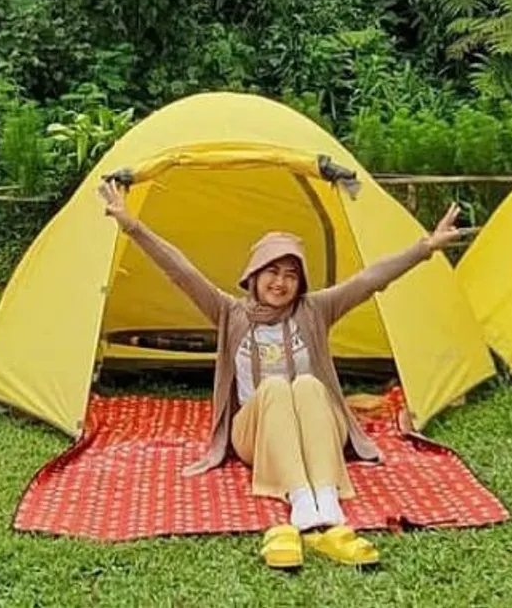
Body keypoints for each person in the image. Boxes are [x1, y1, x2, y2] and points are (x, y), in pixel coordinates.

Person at [99, 179, 468, 570]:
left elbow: (370, 280)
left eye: (290, 274)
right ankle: (299, 497)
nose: (280, 282)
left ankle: (324, 498)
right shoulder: (230, 313)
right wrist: (131, 225)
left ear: (301, 282)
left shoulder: (315, 310)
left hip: (317, 428)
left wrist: (425, 247)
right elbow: (182, 272)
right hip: (255, 436)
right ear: (253, 276)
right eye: (271, 272)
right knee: (274, 386)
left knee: (308, 384)